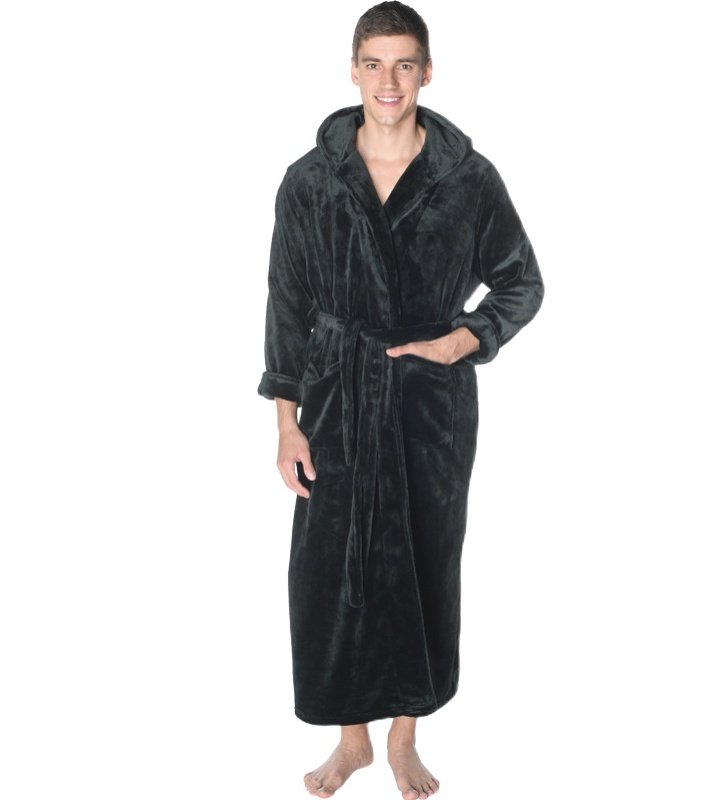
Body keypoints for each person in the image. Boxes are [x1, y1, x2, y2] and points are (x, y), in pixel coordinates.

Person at [257, 2, 544, 797]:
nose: (389, 80)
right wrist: (286, 424)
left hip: (430, 404)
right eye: (375, 64)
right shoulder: (311, 181)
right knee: (329, 568)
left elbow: (522, 282)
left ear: (427, 72)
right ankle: (351, 739)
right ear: (353, 71)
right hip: (336, 395)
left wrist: (463, 340)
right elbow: (286, 305)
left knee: (423, 558)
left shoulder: (468, 179)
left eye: (405, 64)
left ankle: (404, 737)